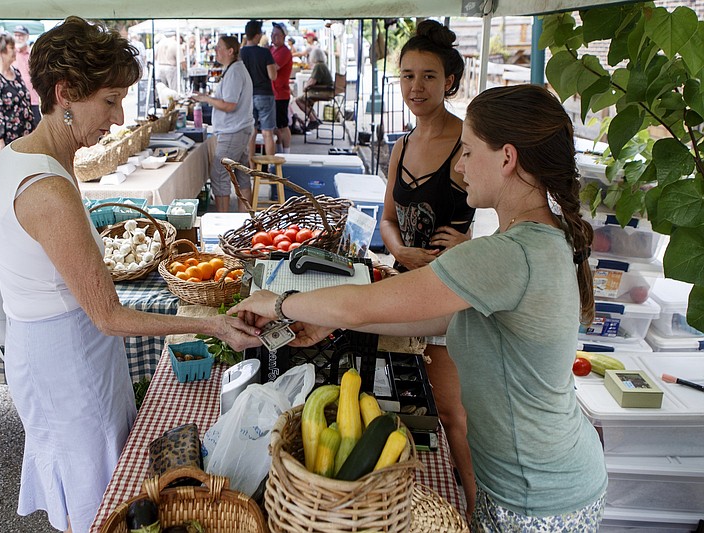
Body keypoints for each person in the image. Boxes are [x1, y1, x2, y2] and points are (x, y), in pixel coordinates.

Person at [232, 84, 608, 531]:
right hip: (535, 481)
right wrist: (320, 321)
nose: (460, 166)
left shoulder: (506, 255)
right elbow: (440, 314)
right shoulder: (530, 242)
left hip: (538, 497)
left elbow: (364, 305)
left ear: (507, 158)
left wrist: (281, 303)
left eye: (467, 152)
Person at [0, 17, 261, 533]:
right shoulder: (48, 187)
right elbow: (108, 316)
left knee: (87, 483)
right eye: (110, 100)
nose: (119, 116)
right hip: (68, 363)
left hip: (48, 349)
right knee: (96, 499)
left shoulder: (17, 159)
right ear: (64, 94)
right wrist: (212, 324)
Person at [379, 20, 476, 515]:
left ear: (450, 81)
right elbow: (388, 219)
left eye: (430, 76)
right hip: (403, 284)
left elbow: (510, 205)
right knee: (395, 405)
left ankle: (477, 512)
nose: (416, 87)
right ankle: (405, 505)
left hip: (448, 292)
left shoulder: (470, 142)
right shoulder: (400, 146)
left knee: (453, 415)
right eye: (408, 75)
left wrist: (470, 238)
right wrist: (401, 253)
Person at [191, 35, 254, 213]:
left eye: (219, 47)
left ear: (230, 51)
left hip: (233, 130)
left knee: (219, 173)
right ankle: (244, 219)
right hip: (239, 128)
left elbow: (229, 104)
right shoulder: (235, 69)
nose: (216, 51)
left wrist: (206, 99)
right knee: (241, 174)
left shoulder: (234, 71)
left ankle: (223, 221)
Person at [0, 30, 33, 156]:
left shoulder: (15, 71)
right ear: (0, 51)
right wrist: (0, 142)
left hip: (24, 136)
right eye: (11, 48)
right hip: (6, 142)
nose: (15, 50)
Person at [240, 20, 277, 156]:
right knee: (268, 133)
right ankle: (269, 169)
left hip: (247, 96)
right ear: (257, 35)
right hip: (265, 94)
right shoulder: (265, 53)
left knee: (251, 132)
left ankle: (251, 167)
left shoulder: (240, 54)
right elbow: (272, 76)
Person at [294, 47, 331, 130]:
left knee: (298, 100)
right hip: (326, 91)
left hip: (322, 92)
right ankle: (315, 118)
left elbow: (312, 81)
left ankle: (313, 119)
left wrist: (305, 87)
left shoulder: (318, 66)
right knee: (306, 100)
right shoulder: (322, 65)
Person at [270, 22, 292, 154]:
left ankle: (287, 153)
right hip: (273, 93)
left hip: (280, 93)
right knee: (276, 126)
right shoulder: (272, 49)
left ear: (284, 36)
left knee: (283, 126)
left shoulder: (284, 51)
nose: (274, 37)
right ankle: (279, 152)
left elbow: (274, 68)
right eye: (272, 34)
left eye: (277, 35)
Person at [12, 25, 41, 125]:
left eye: (21, 35)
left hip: (34, 101)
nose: (19, 38)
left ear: (27, 37)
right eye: (16, 35)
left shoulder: (33, 54)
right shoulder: (11, 55)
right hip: (17, 103)